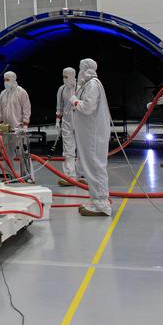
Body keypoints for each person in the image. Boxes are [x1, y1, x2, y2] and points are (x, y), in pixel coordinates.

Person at [71, 58, 112, 216]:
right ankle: (97, 199)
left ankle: (101, 203)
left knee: (95, 166)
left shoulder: (93, 85)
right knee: (91, 166)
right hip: (88, 133)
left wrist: (75, 101)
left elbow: (87, 108)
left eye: (81, 67)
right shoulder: (87, 85)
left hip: (93, 134)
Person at [0, 71, 32, 180]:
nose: (5, 82)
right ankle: (9, 175)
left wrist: (25, 125)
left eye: (7, 80)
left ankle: (25, 174)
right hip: (6, 129)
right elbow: (0, 110)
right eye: (4, 79)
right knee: (7, 154)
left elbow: (26, 109)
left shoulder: (21, 92)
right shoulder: (3, 93)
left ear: (13, 79)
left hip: (18, 128)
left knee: (22, 153)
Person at [54, 66, 78, 186]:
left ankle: (83, 174)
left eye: (66, 76)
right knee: (68, 150)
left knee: (83, 149)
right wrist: (58, 120)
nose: (64, 79)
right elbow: (60, 106)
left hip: (80, 123)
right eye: (63, 76)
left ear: (73, 76)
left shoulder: (81, 88)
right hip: (67, 123)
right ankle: (70, 176)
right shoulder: (62, 89)